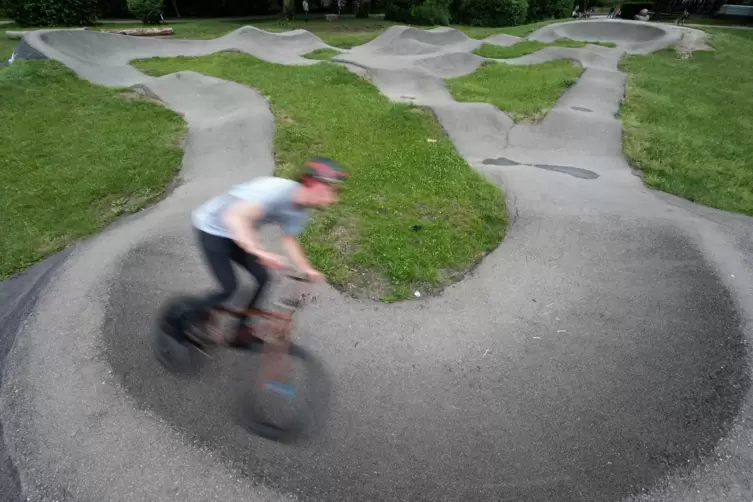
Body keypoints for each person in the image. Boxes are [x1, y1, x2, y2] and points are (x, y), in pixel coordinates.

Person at [189, 157, 348, 347]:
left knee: (262, 277)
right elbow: (235, 216)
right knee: (229, 288)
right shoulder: (277, 191)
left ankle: (241, 331)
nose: (333, 198)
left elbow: (288, 239)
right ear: (312, 182)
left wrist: (307, 268)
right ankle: (186, 318)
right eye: (330, 190)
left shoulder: (299, 210)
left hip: (238, 232)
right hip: (212, 228)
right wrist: (259, 251)